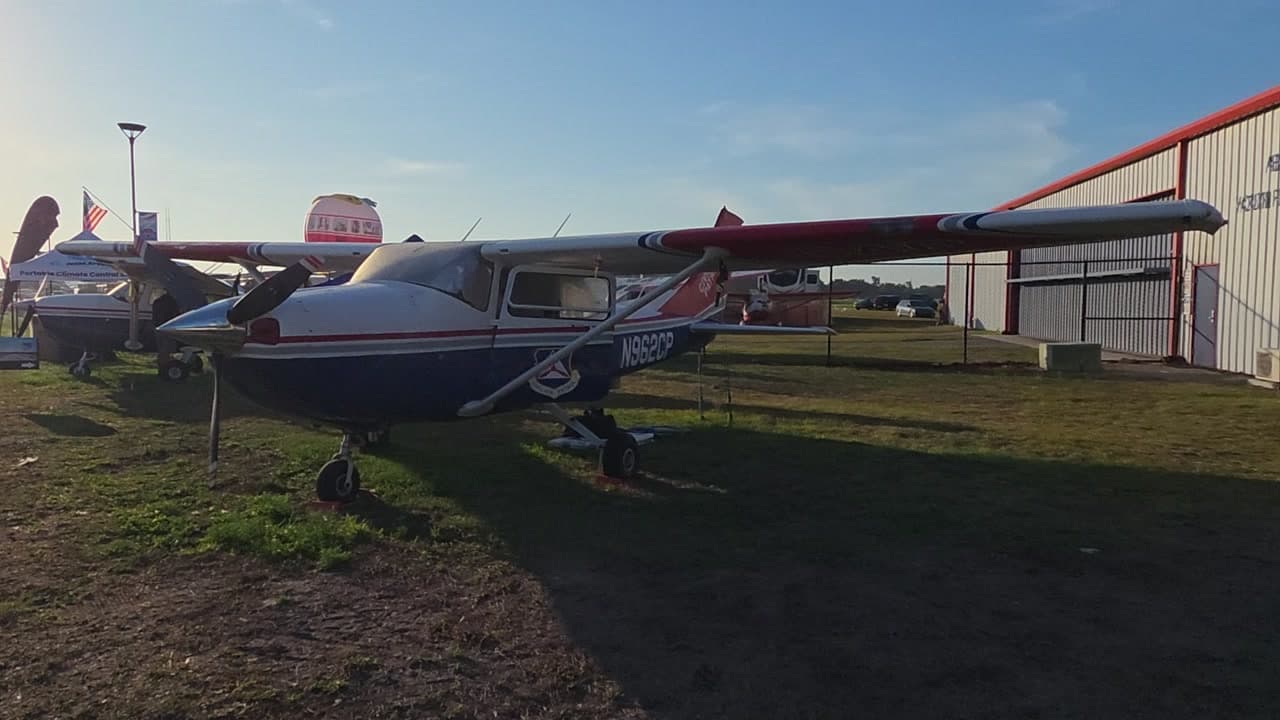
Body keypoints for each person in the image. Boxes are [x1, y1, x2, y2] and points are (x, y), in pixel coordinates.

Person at [151, 291, 180, 373]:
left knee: (162, 350)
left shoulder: (157, 301)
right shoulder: (172, 303)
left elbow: (154, 316)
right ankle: (165, 368)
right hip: (168, 328)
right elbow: (175, 315)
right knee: (166, 349)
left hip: (158, 328)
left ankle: (161, 367)